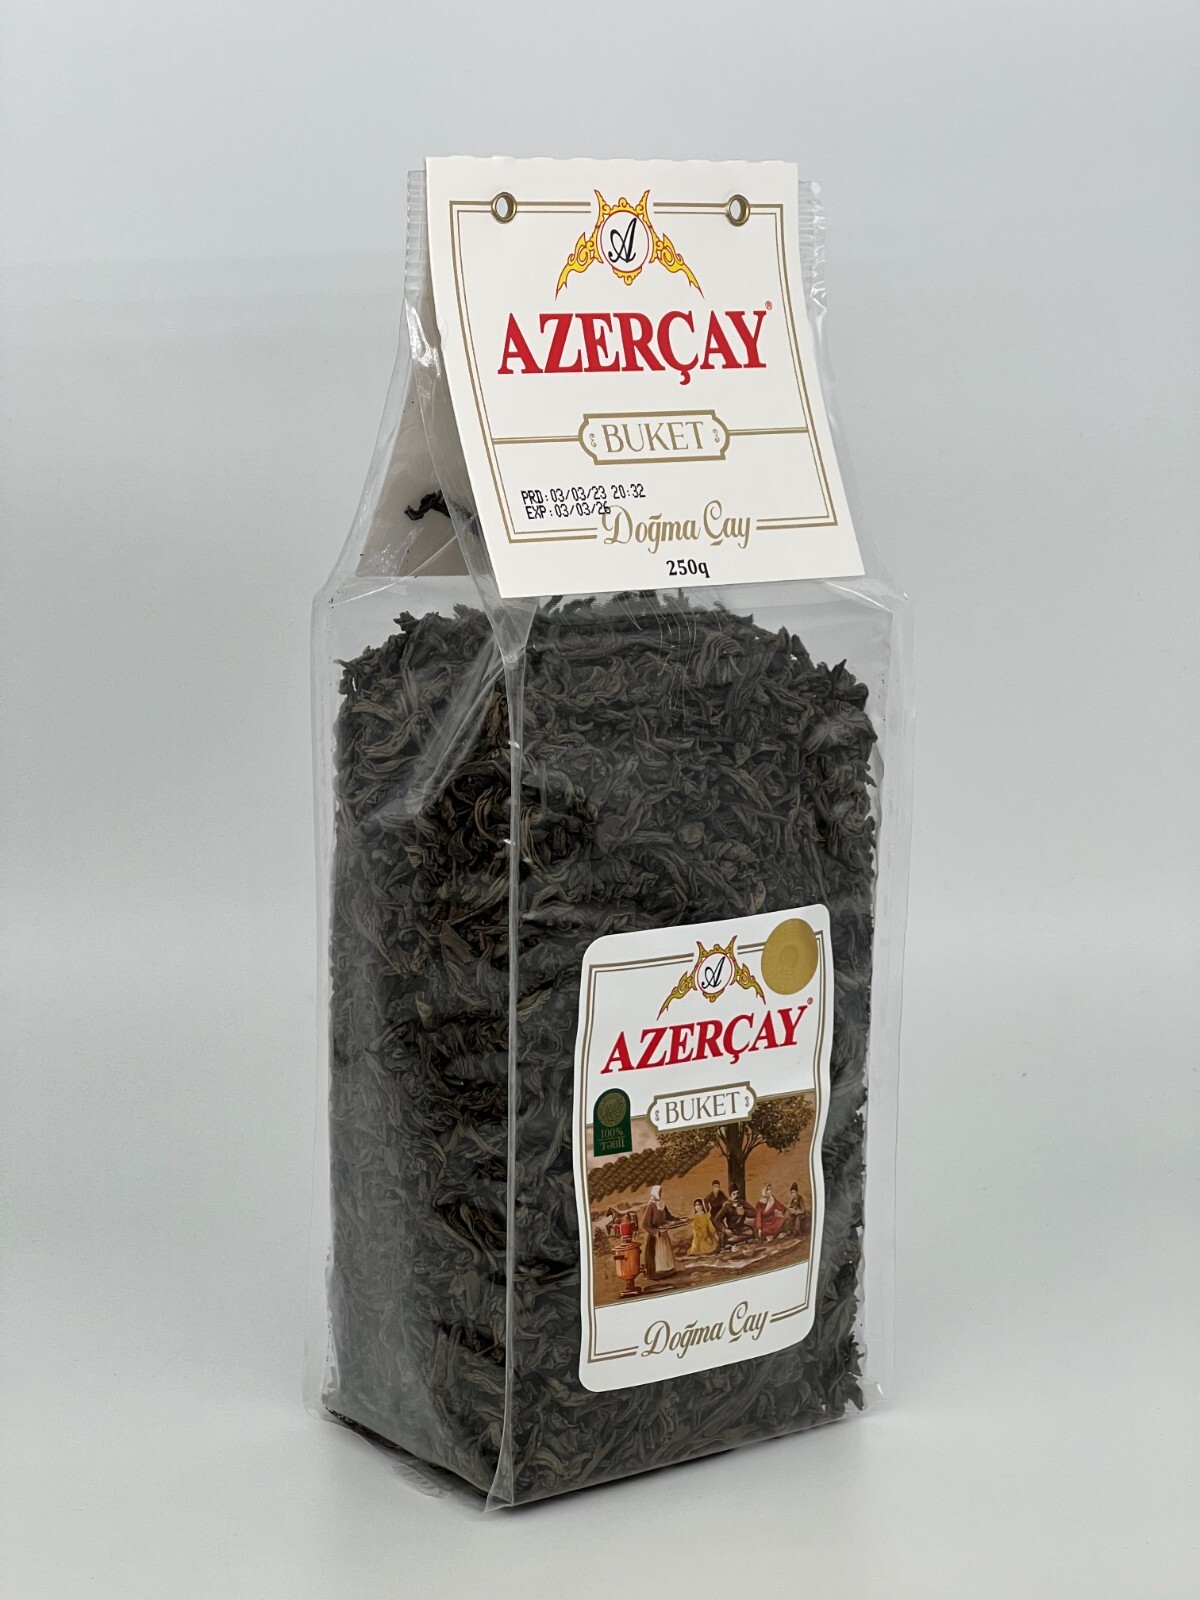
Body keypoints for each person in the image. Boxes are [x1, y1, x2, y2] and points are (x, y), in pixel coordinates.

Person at [641, 1185, 678, 1279]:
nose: (660, 1194)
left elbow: (669, 1217)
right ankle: (658, 1272)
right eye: (659, 1192)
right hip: (656, 1236)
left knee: (665, 1253)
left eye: (661, 1192)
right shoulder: (651, 1206)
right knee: (658, 1254)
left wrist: (677, 1220)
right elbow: (644, 1224)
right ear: (655, 1193)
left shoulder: (662, 1204)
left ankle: (668, 1270)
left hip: (664, 1233)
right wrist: (655, 1232)